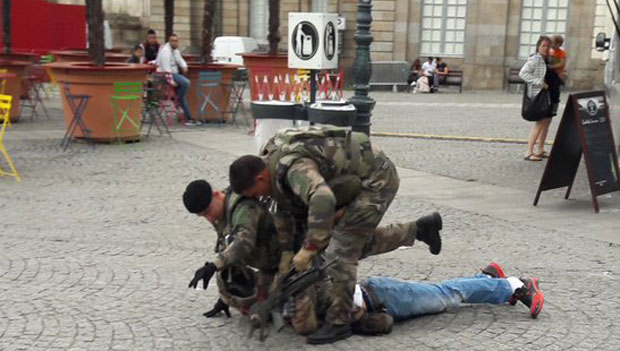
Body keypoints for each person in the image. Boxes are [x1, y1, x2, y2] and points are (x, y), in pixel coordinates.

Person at [228, 126, 444, 344]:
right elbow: (282, 207)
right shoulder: (269, 164)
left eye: (255, 193)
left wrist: (309, 248)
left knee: (339, 254)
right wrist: (286, 252)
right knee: (354, 241)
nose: (258, 198)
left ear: (260, 179)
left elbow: (323, 199)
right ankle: (420, 229)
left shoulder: (293, 169)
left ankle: (339, 323)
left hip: (375, 180)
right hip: (351, 180)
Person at [208, 262, 545, 339]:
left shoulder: (290, 286)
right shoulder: (268, 302)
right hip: (376, 303)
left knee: (447, 296)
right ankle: (486, 279)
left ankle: (515, 284)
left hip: (380, 295)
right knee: (445, 293)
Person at [183, 179, 281, 314]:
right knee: (225, 275)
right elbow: (227, 247)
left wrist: (214, 265)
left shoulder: (244, 208)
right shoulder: (222, 210)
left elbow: (243, 244)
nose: (209, 219)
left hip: (284, 261)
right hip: (265, 263)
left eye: (207, 211)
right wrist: (224, 299)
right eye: (203, 216)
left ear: (216, 194)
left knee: (300, 320)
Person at [519, 35, 552, 162]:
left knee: (546, 121)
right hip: (538, 95)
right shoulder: (535, 59)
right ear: (538, 46)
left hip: (546, 94)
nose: (546, 48)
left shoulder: (546, 59)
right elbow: (522, 73)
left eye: (548, 46)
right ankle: (529, 151)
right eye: (543, 46)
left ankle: (540, 149)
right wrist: (539, 82)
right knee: (540, 122)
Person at [156, 33, 198, 126]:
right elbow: (166, 68)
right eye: (173, 41)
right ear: (169, 41)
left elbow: (180, 60)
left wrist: (184, 66)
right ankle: (180, 98)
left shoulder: (175, 51)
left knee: (185, 83)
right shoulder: (165, 52)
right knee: (186, 82)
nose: (175, 43)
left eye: (176, 41)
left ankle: (180, 98)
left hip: (174, 73)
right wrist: (171, 81)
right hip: (166, 74)